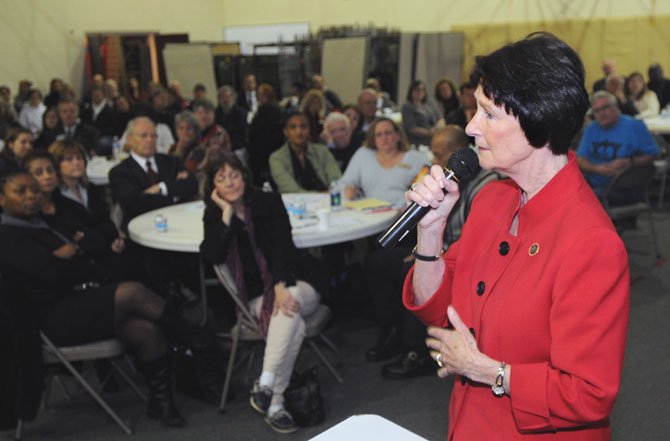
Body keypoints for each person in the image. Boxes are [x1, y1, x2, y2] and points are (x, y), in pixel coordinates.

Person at [404, 33, 629, 440]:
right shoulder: (492, 199)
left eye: (489, 114)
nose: (471, 127)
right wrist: (430, 232)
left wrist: (485, 370)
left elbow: (590, 394)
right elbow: (438, 312)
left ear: (538, 122)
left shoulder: (591, 242)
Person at [0, 170, 193, 427]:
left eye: (34, 190)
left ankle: (162, 403)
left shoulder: (42, 223)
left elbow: (88, 248)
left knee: (146, 328)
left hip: (76, 300)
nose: (31, 196)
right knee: (132, 291)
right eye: (20, 191)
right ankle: (197, 339)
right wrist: (73, 257)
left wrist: (73, 253)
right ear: (1, 199)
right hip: (50, 320)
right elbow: (52, 274)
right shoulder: (7, 235)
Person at [200, 155, 325, 434]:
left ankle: (267, 382)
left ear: (244, 175)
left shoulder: (269, 202)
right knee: (293, 321)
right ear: (213, 187)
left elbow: (284, 248)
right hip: (257, 298)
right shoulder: (214, 215)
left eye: (234, 175)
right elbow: (212, 254)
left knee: (288, 299)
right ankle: (274, 401)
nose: (230, 183)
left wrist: (280, 285)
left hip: (299, 283)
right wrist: (225, 214)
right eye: (221, 178)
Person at [109, 116, 198, 232]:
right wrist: (174, 195)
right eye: (143, 136)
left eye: (153, 136)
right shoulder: (120, 172)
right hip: (141, 232)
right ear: (129, 139)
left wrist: (162, 187)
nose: (150, 140)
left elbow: (192, 185)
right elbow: (134, 205)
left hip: (177, 225)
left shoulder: (171, 161)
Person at [576, 90, 659, 197]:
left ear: (616, 107)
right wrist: (597, 169)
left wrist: (630, 161)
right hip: (593, 183)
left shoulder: (634, 126)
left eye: (606, 107)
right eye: (597, 110)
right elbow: (581, 159)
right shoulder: (591, 129)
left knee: (584, 200)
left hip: (626, 187)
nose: (602, 113)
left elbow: (653, 154)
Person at [338, 117, 427, 207]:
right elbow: (343, 183)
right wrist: (348, 190)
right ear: (373, 139)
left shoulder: (416, 158)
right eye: (379, 135)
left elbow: (427, 189)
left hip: (403, 213)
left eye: (388, 133)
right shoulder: (363, 154)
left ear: (398, 135)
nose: (384, 137)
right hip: (370, 213)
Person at [269, 112, 341, 193]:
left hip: (326, 200)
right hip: (292, 203)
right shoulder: (276, 158)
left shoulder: (322, 151)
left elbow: (336, 180)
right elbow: (291, 190)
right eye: (293, 127)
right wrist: (322, 195)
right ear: (286, 132)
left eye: (303, 127)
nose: (299, 131)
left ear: (309, 129)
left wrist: (332, 192)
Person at [247, 83, 285, 186]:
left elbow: (258, 130)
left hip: (264, 149)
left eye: (260, 94)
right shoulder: (276, 108)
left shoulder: (267, 109)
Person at [401, 80, 443, 147]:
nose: (420, 92)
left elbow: (441, 119)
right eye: (417, 90)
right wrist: (430, 133)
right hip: (419, 141)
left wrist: (436, 129)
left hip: (436, 137)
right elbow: (412, 128)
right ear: (411, 91)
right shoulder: (407, 107)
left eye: (422, 90)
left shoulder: (430, 103)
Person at [215, 85, 248, 151]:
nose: (225, 100)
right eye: (222, 97)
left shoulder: (240, 112)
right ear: (219, 99)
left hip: (238, 148)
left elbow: (243, 132)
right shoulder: (215, 113)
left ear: (233, 98)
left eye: (228, 97)